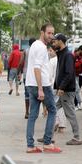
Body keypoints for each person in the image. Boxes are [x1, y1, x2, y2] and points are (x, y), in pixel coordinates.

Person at [25, 24, 61, 153]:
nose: (51, 36)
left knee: (33, 115)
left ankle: (30, 145)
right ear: (42, 32)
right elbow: (37, 68)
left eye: (52, 34)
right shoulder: (40, 47)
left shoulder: (35, 44)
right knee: (52, 110)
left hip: (31, 84)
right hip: (42, 85)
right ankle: (47, 142)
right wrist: (40, 89)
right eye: (49, 33)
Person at [52, 34, 82, 145]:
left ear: (60, 41)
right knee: (53, 109)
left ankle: (77, 137)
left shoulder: (67, 55)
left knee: (70, 113)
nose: (53, 43)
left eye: (55, 41)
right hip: (63, 90)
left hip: (67, 91)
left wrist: (61, 87)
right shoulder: (61, 54)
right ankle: (48, 136)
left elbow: (69, 73)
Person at [19, 38, 36, 119]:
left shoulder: (25, 51)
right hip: (36, 75)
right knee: (35, 94)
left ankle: (27, 112)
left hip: (27, 75)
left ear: (29, 44)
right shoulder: (37, 51)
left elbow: (21, 62)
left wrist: (19, 72)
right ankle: (33, 112)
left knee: (27, 94)